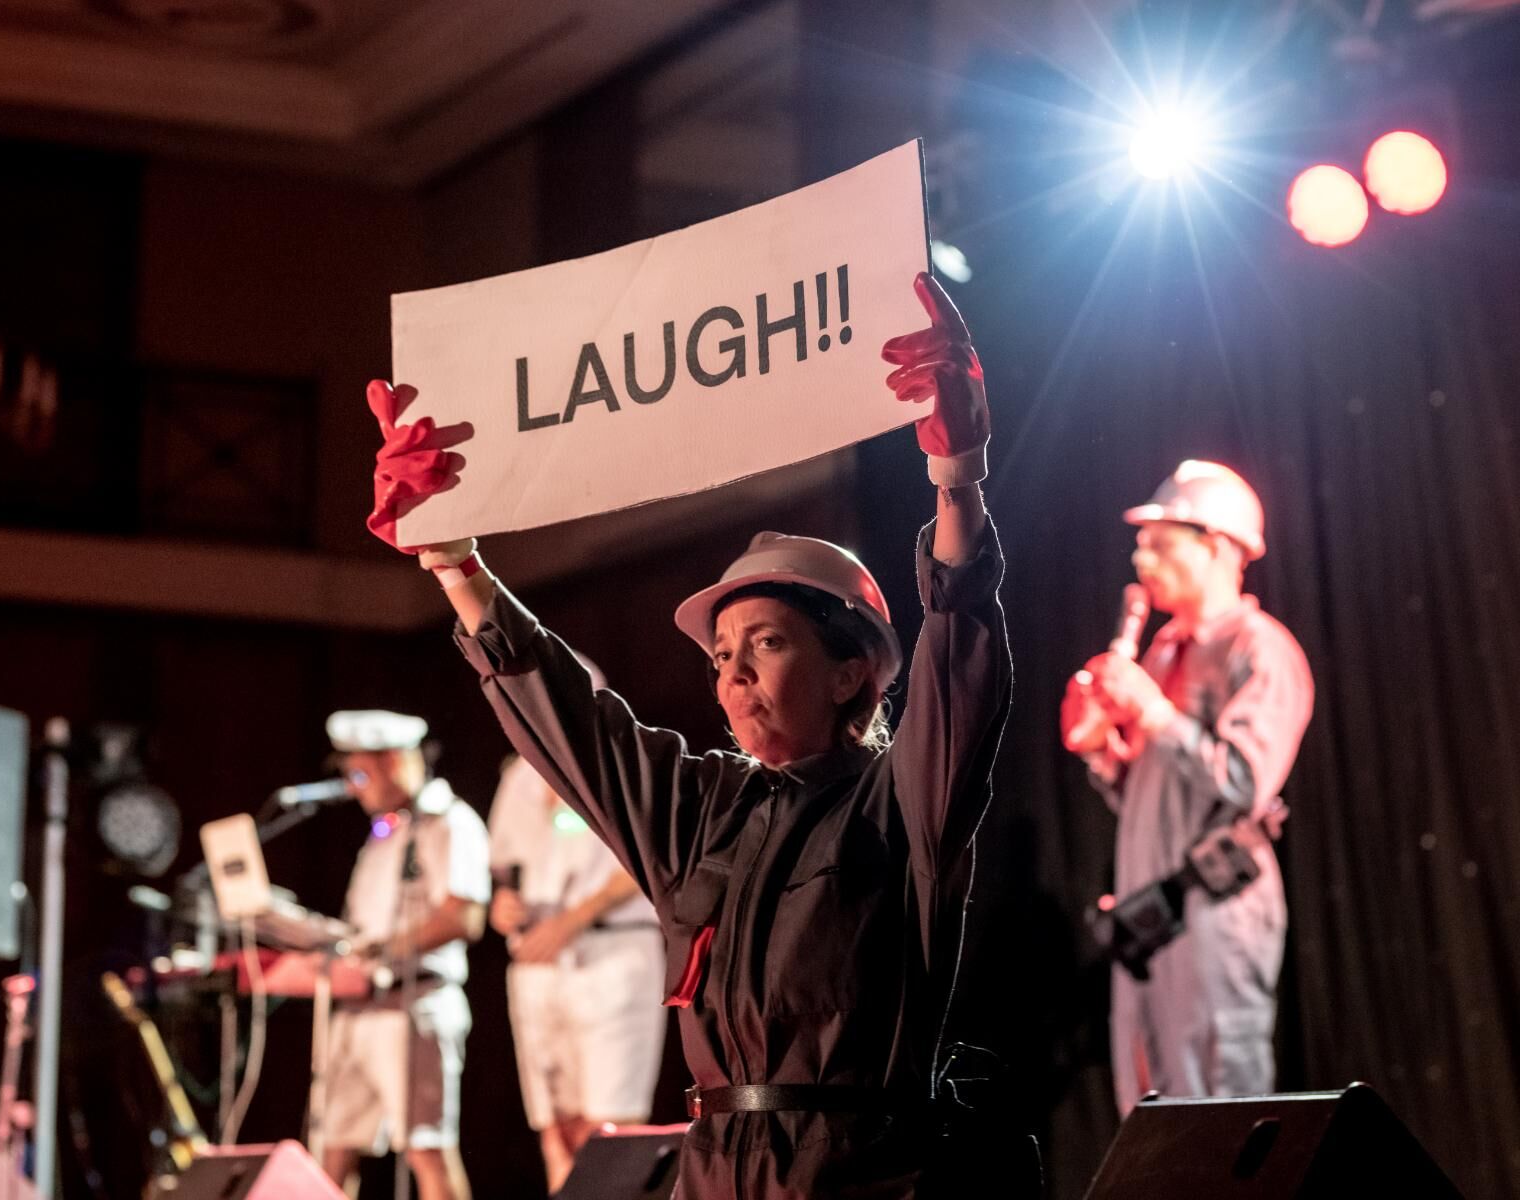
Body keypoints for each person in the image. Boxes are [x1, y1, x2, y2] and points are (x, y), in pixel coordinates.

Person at [365, 275, 1037, 1198]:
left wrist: (959, 479)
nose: (734, 674)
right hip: (713, 1175)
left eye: (766, 644)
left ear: (853, 673)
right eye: (722, 655)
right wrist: (452, 560)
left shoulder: (898, 804)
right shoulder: (700, 809)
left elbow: (961, 658)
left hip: (863, 1176)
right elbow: (566, 719)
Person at [1060, 462, 1314, 1115]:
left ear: (1220, 546)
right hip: (1152, 920)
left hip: (1216, 912)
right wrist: (1101, 751)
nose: (1142, 555)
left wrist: (1150, 711)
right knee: (1149, 1113)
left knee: (1221, 1110)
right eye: (1143, 541)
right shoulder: (1164, 651)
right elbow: (1156, 798)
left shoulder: (1260, 649)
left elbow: (1242, 782)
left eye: (1163, 541)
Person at [317, 709, 489, 1200]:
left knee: (426, 1150)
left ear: (394, 762)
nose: (354, 788)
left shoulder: (450, 823)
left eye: (359, 773)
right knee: (332, 1149)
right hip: (358, 1008)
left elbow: (463, 917)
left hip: (416, 1003)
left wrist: (381, 949)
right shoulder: (383, 834)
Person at [487, 725, 667, 1192]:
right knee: (557, 1132)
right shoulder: (517, 779)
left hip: (611, 956)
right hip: (538, 968)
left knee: (609, 1129)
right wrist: (503, 905)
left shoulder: (621, 770)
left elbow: (650, 858)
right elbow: (504, 867)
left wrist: (573, 920)